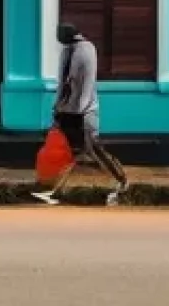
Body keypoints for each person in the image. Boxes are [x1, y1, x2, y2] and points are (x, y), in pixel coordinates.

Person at [32, 22, 129, 206]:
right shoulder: (67, 51)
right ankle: (53, 190)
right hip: (66, 111)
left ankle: (121, 183)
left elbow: (87, 83)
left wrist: (82, 110)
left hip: (83, 113)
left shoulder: (86, 50)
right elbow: (63, 82)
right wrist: (57, 107)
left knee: (94, 149)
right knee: (67, 152)